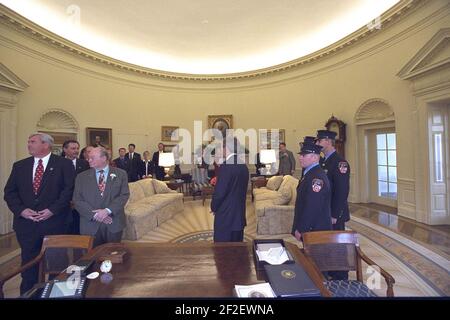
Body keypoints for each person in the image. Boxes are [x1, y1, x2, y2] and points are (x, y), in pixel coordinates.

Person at [4, 133, 75, 294]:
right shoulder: (20, 166)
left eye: (32, 142)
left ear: (45, 145)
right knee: (28, 266)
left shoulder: (64, 164)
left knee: (57, 265)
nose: (28, 144)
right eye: (28, 141)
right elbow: (9, 192)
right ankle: (29, 294)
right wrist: (22, 210)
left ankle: (55, 294)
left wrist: (52, 210)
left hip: (55, 223)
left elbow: (68, 190)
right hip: (27, 225)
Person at [72, 147, 130, 247]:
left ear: (103, 158)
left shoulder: (121, 174)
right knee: (92, 258)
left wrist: (107, 211)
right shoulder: (81, 177)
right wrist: (97, 215)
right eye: (88, 157)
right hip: (90, 225)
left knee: (114, 255)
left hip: (113, 223)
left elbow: (124, 195)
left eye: (92, 158)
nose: (88, 160)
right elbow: (77, 200)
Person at [316, 129, 351, 280]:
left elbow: (342, 191)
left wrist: (335, 214)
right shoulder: (324, 161)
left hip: (335, 214)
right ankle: (330, 271)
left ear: (328, 142)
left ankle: (340, 275)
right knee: (328, 242)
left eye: (320, 141)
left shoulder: (339, 163)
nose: (317, 143)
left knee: (337, 245)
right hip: (326, 212)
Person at [291, 142, 332, 243]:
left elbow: (312, 207)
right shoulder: (310, 174)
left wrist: (302, 229)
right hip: (312, 228)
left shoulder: (316, 178)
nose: (300, 158)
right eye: (300, 155)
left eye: (304, 155)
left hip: (315, 230)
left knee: (314, 258)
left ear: (314, 157)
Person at [211, 138, 249, 242]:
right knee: (237, 250)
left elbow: (219, 193)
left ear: (226, 148)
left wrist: (214, 207)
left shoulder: (226, 166)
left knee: (222, 253)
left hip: (226, 217)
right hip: (239, 217)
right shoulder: (243, 166)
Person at [62, 139, 90, 234]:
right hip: (63, 203)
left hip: (80, 202)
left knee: (78, 228)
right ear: (65, 149)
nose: (76, 151)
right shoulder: (58, 163)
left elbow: (87, 183)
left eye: (77, 148)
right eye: (73, 148)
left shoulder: (84, 164)